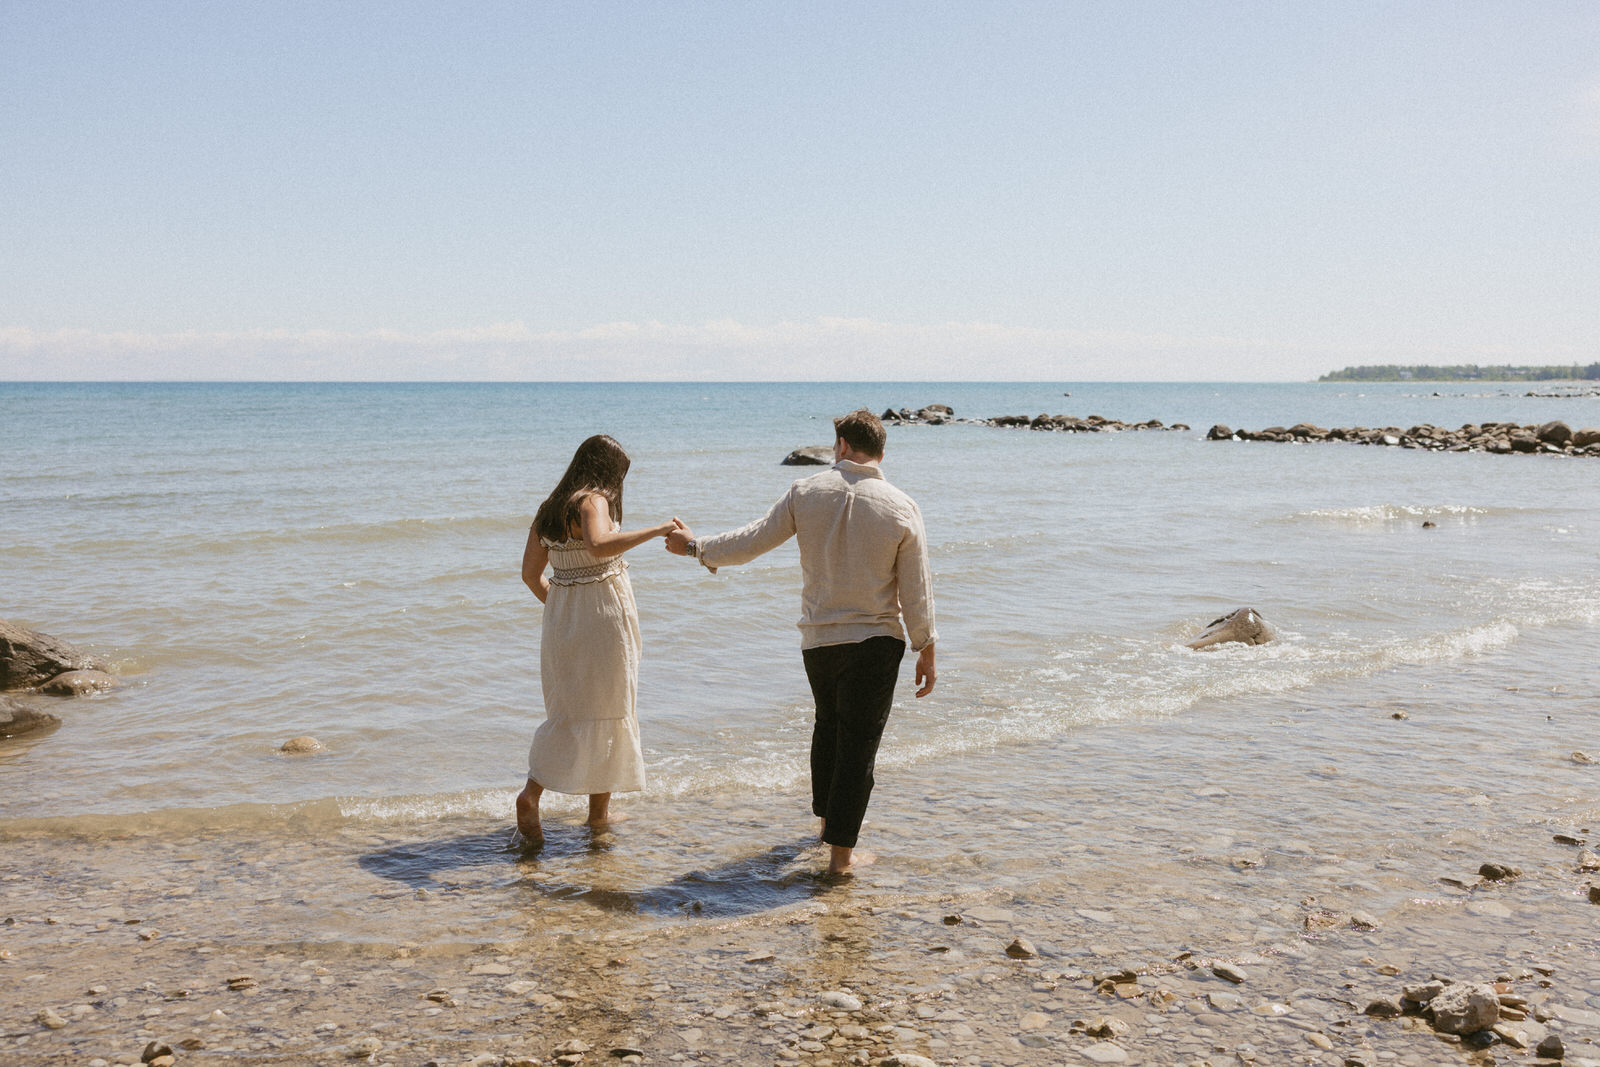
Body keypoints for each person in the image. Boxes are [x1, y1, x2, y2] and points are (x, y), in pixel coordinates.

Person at [665, 409, 937, 875]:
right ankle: (840, 860)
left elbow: (751, 541)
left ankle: (827, 826)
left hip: (818, 642)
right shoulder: (902, 505)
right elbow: (916, 586)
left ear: (842, 445)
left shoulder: (805, 492)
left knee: (828, 728)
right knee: (858, 746)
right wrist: (925, 645)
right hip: (875, 641)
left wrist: (695, 547)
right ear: (881, 453)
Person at [515, 434, 678, 848]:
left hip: (562, 624)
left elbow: (530, 574)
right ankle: (596, 816)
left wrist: (564, 608)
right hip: (604, 621)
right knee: (610, 708)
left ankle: (534, 795)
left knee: (569, 712)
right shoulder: (593, 500)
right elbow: (599, 545)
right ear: (605, 471)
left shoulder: (549, 509)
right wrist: (657, 528)